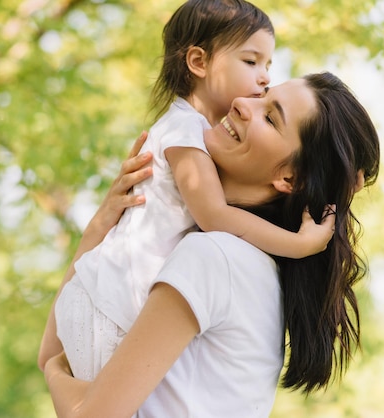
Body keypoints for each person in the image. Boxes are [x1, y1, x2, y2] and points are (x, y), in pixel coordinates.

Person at [42, 72, 381, 417]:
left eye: (270, 117)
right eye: (260, 95)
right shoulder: (246, 264)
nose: (241, 103)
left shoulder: (214, 257)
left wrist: (54, 375)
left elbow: (79, 396)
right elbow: (59, 345)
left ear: (290, 179)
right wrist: (103, 224)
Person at [39, 0, 335, 381]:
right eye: (251, 61)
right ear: (198, 62)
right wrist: (300, 244)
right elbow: (214, 216)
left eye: (268, 65)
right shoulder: (183, 131)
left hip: (99, 300)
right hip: (108, 308)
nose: (263, 78)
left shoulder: (189, 132)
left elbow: (48, 359)